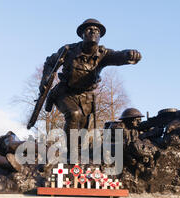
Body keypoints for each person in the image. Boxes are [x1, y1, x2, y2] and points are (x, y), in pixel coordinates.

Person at [40, 18, 142, 157]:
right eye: (89, 29)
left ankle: (79, 154)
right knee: (74, 114)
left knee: (84, 127)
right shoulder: (68, 51)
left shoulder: (103, 54)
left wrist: (129, 55)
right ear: (82, 34)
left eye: (97, 30)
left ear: (100, 36)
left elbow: (118, 56)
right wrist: (45, 79)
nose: (93, 32)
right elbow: (50, 62)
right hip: (64, 91)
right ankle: (70, 154)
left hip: (85, 97)